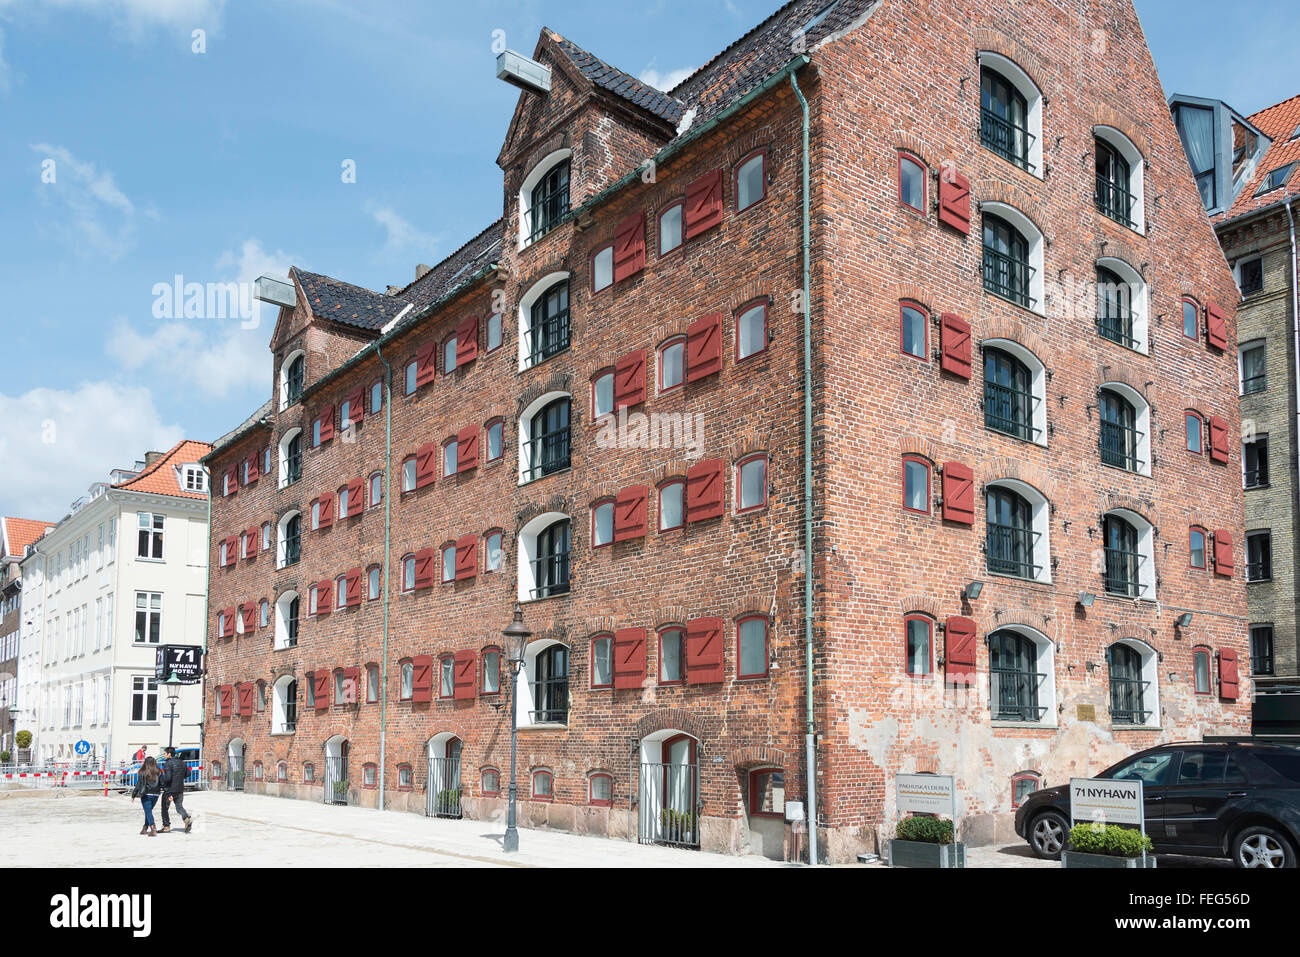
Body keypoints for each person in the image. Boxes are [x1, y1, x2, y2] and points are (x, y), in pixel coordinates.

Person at [158, 746, 193, 834]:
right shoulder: (182, 762)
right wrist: (180, 777)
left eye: (165, 753)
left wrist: (163, 783)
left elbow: (169, 778)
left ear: (169, 754)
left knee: (165, 808)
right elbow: (188, 773)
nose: (164, 755)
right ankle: (186, 818)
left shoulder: (167, 763)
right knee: (179, 807)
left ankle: (166, 827)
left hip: (170, 790)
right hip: (180, 788)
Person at [131, 756, 163, 836]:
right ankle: (145, 828)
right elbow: (162, 783)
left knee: (148, 811)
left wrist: (133, 795)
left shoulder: (142, 771)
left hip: (146, 794)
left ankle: (153, 828)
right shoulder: (158, 771)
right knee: (148, 811)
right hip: (156, 794)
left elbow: (139, 784)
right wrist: (168, 792)